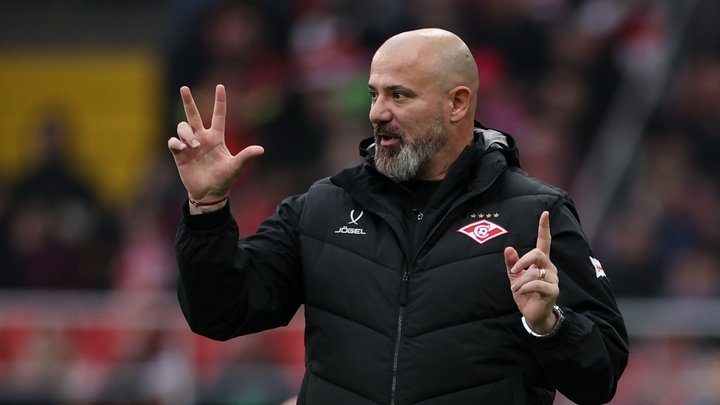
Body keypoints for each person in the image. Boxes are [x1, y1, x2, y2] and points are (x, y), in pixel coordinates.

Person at [168, 28, 628, 404]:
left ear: (457, 103)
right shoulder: (323, 208)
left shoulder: (535, 214)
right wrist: (206, 211)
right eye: (374, 94)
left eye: (399, 96)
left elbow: (600, 376)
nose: (377, 113)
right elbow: (219, 313)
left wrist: (550, 325)